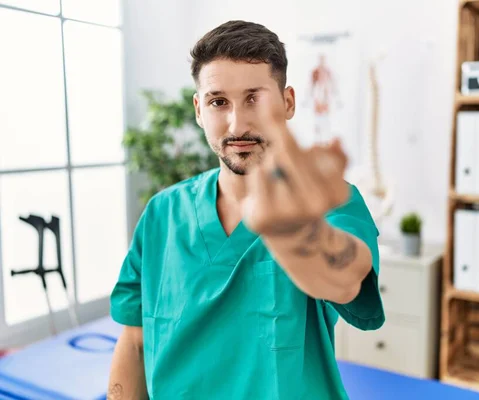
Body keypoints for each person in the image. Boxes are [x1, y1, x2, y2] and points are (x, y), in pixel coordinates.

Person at [107, 20, 385, 400]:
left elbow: (343, 279)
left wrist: (298, 235)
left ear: (287, 102)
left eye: (254, 97)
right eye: (218, 101)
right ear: (198, 110)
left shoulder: (326, 202)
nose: (237, 123)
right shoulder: (162, 214)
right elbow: (135, 342)